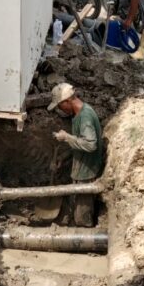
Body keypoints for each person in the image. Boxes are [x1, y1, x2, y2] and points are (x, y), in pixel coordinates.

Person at [48, 83, 103, 227]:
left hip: (87, 173)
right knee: (75, 209)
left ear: (67, 101)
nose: (60, 110)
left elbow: (91, 145)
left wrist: (67, 137)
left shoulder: (85, 117)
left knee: (82, 218)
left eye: (60, 106)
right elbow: (80, 142)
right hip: (81, 171)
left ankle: (87, 241)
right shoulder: (78, 114)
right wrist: (63, 157)